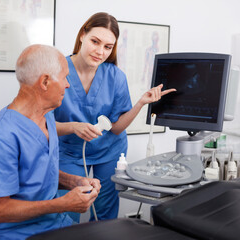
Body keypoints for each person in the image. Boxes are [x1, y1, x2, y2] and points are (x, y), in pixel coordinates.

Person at [0, 44, 101, 240]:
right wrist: (62, 204)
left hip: (54, 224)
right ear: (45, 82)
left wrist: (74, 181)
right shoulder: (0, 135)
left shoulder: (47, 118)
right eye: (65, 77)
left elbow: (37, 174)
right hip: (14, 233)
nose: (67, 84)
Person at [54, 12, 175, 222]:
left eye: (108, 47)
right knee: (67, 211)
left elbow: (117, 128)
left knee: (104, 213)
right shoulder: (57, 71)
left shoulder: (115, 76)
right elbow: (42, 125)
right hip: (70, 151)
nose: (100, 52)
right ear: (83, 35)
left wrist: (140, 103)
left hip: (109, 151)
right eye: (95, 41)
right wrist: (74, 127)